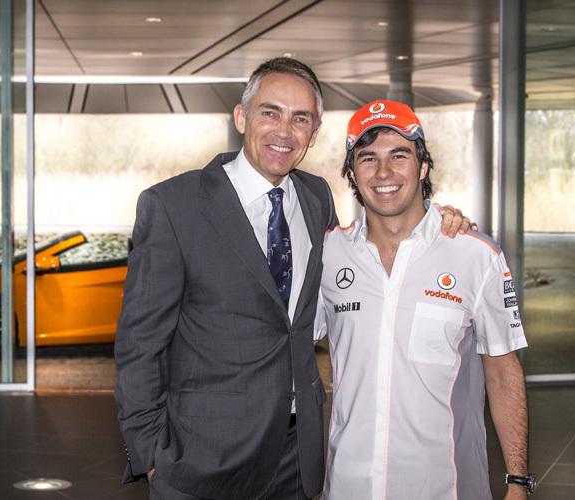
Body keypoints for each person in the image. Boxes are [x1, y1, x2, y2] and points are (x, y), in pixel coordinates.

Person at [114, 58, 470, 500]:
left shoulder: (316, 196)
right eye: (270, 112)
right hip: (201, 462)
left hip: (296, 459)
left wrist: (438, 222)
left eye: (300, 118)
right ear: (242, 117)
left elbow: (359, 259)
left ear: (314, 132)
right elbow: (140, 344)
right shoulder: (173, 205)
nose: (284, 131)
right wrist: (149, 455)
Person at [314, 100, 532, 499]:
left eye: (399, 156)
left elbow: (503, 371)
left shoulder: (475, 255)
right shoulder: (328, 253)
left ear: (423, 166)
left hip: (444, 487)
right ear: (352, 172)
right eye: (368, 158)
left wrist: (518, 481)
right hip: (348, 486)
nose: (383, 173)